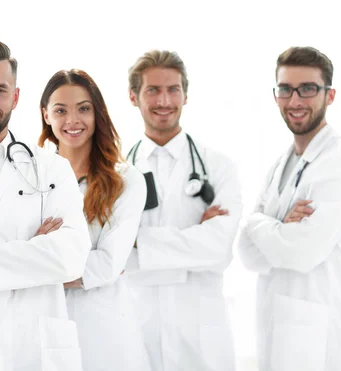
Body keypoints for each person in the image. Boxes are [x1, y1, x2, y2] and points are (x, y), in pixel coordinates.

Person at [0, 37, 91, 371]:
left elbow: (72, 256)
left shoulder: (50, 167)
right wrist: (33, 252)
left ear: (15, 96)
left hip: (36, 346)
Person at [237, 46, 341, 371]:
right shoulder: (280, 165)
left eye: (308, 89)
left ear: (330, 95)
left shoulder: (340, 163)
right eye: (285, 89)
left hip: (325, 335)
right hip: (279, 326)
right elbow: (246, 253)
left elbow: (300, 253)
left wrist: (256, 223)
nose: (295, 101)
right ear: (276, 96)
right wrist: (276, 229)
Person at [124, 50, 241, 370]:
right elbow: (109, 252)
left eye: (173, 89)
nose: (164, 100)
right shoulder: (115, 171)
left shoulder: (218, 166)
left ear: (186, 95)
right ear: (134, 97)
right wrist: (192, 240)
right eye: (153, 90)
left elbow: (218, 249)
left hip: (201, 331)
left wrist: (137, 241)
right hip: (137, 325)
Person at [38, 69, 151, 371]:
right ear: (46, 115)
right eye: (61, 110)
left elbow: (107, 265)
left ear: (97, 113)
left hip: (104, 332)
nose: (73, 120)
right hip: (41, 324)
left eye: (84, 109)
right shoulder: (30, 178)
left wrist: (34, 262)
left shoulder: (125, 181)